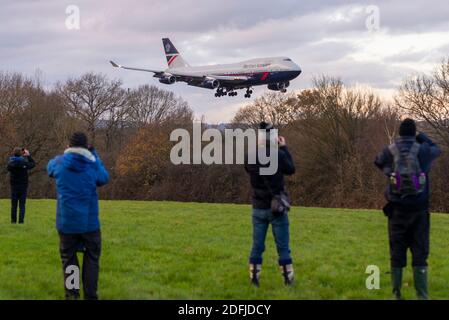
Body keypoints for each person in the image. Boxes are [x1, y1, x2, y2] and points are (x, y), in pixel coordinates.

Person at [375, 118, 441, 300]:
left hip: (396, 210)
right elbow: (438, 149)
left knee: (397, 251)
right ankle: (422, 295)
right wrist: (422, 137)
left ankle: (397, 294)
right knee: (420, 253)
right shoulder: (423, 150)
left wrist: (390, 172)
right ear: (414, 133)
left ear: (400, 132)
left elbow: (378, 161)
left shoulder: (391, 150)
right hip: (419, 210)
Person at [47, 132, 109, 300]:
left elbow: (49, 168)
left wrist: (65, 153)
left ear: (69, 145)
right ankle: (90, 296)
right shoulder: (92, 165)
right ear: (85, 146)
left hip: (67, 223)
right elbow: (104, 178)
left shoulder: (59, 163)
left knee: (69, 259)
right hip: (90, 224)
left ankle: (72, 295)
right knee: (92, 259)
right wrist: (94, 155)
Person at [244, 122, 296, 286]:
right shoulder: (279, 155)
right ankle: (288, 278)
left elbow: (248, 169)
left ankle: (254, 278)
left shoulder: (250, 156)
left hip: (258, 207)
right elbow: (291, 169)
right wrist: (283, 148)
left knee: (257, 245)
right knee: (283, 245)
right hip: (277, 207)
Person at [7, 147, 35, 224]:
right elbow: (33, 164)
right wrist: (28, 155)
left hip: (14, 187)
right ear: (21, 154)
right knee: (22, 205)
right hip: (23, 187)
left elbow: (8, 166)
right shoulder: (24, 163)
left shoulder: (11, 164)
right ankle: (21, 222)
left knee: (14, 205)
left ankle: (13, 221)